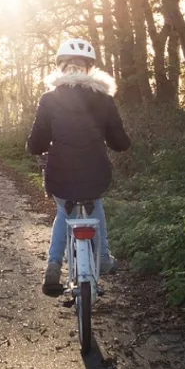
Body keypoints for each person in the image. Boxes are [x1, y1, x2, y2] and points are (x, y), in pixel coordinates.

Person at [26, 38, 131, 296]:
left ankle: (53, 265)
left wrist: (36, 148)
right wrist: (118, 141)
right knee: (94, 202)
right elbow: (120, 142)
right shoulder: (104, 98)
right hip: (95, 171)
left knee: (64, 209)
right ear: (90, 69)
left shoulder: (49, 99)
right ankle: (103, 257)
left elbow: (37, 141)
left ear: (61, 68)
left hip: (60, 172)